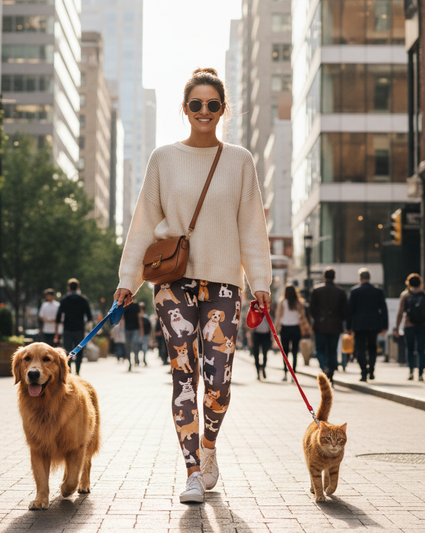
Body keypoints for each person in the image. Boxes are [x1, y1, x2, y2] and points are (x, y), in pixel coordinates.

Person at [112, 68, 272, 504]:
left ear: (223, 110)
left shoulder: (240, 160)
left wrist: (260, 281)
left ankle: (209, 446)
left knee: (218, 382)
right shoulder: (163, 158)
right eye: (196, 104)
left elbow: (252, 226)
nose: (204, 111)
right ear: (184, 109)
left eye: (213, 104)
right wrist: (128, 280)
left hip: (224, 283)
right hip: (173, 282)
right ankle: (192, 473)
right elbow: (143, 223)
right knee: (184, 377)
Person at [347, 268, 388, 382]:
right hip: (374, 324)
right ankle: (372, 370)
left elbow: (350, 310)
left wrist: (348, 327)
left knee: (360, 349)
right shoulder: (377, 291)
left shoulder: (354, 291)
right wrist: (385, 326)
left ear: (360, 278)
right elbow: (383, 309)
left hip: (359, 325)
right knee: (372, 347)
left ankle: (363, 372)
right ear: (369, 278)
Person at [309, 267, 348, 383]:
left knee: (320, 349)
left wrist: (317, 318)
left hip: (320, 325)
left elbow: (312, 309)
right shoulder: (340, 291)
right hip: (335, 325)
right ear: (334, 277)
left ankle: (324, 366)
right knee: (332, 350)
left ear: (324, 276)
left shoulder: (317, 290)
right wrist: (339, 319)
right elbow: (345, 311)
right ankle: (331, 373)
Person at [395, 273, 425, 381]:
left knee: (410, 349)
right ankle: (420, 373)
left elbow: (400, 312)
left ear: (408, 283)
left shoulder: (405, 295)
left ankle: (411, 372)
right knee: (421, 349)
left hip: (409, 325)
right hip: (423, 325)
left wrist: (397, 327)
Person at [53, 278, 92, 375]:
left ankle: (69, 373)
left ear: (68, 287)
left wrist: (56, 333)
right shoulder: (83, 299)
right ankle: (78, 373)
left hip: (67, 329)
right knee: (79, 352)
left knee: (68, 352)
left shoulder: (64, 300)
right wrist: (89, 330)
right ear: (78, 287)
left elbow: (58, 317)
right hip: (79, 329)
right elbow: (89, 316)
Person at [274, 284, 307, 382]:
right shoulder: (299, 302)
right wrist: (307, 327)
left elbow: (278, 316)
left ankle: (285, 373)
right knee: (295, 352)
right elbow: (303, 316)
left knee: (285, 352)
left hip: (285, 328)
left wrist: (275, 329)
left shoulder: (282, 302)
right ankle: (294, 374)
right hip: (296, 328)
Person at [251, 309, 272, 380]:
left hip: (266, 335)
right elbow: (251, 327)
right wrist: (250, 339)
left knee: (265, 354)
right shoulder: (255, 313)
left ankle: (263, 369)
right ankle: (258, 373)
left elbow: (271, 325)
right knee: (256, 355)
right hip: (257, 335)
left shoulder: (268, 314)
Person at [121, 300, 142, 371]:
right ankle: (130, 363)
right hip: (127, 329)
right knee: (128, 347)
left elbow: (139, 318)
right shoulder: (124, 306)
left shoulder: (136, 305)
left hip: (135, 328)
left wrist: (141, 329)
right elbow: (122, 317)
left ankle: (136, 360)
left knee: (135, 344)